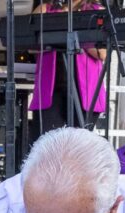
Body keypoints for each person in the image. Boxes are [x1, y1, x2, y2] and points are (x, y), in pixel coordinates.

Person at [27, 0, 108, 145]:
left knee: (78, 146)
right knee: (49, 143)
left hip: (86, 92)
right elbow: (30, 45)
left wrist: (73, 36)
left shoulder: (96, 10)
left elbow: (102, 53)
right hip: (51, 91)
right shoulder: (45, 9)